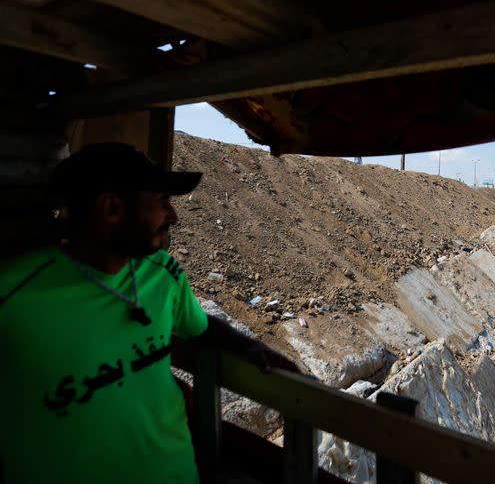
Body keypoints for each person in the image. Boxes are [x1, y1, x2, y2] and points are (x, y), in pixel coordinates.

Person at [0, 143, 298, 484]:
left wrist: (252, 348)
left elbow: (200, 329)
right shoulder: (14, 296)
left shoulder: (163, 272)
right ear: (112, 207)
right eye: (161, 201)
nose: (173, 216)